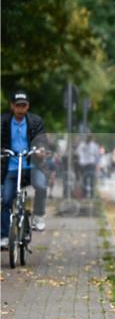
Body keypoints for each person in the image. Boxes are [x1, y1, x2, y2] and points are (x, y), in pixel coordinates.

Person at [2, 91, 49, 249]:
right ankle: (4, 236)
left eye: (24, 106)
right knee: (6, 199)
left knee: (41, 186)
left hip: (32, 165)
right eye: (17, 106)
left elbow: (41, 138)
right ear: (12, 106)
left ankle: (38, 216)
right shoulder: (3, 121)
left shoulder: (36, 121)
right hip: (11, 166)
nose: (20, 109)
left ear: (28, 106)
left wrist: (41, 149)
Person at [75, 134, 100, 199]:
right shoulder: (82, 145)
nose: (88, 138)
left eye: (89, 137)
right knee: (84, 180)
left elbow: (97, 156)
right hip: (83, 165)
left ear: (91, 138)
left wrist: (97, 165)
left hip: (91, 164)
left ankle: (91, 194)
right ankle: (85, 194)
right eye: (87, 137)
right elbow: (77, 153)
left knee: (92, 180)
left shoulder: (94, 146)